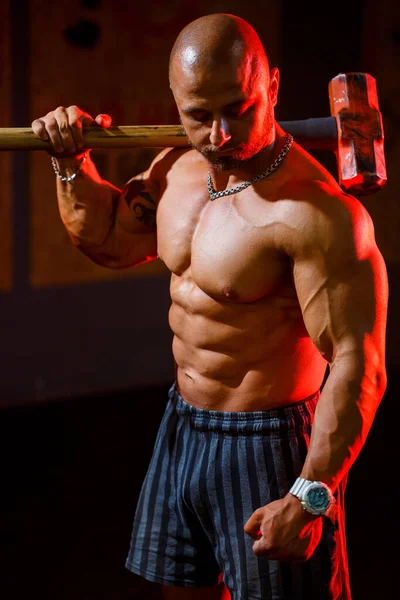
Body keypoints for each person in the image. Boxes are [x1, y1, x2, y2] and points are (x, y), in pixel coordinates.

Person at [31, 13, 388, 600]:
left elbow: (358, 364)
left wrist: (311, 495)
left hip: (271, 445)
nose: (220, 134)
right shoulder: (176, 169)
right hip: (183, 425)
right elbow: (111, 241)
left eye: (239, 108)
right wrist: (70, 163)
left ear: (271, 87)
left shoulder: (316, 214)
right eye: (199, 115)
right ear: (176, 101)